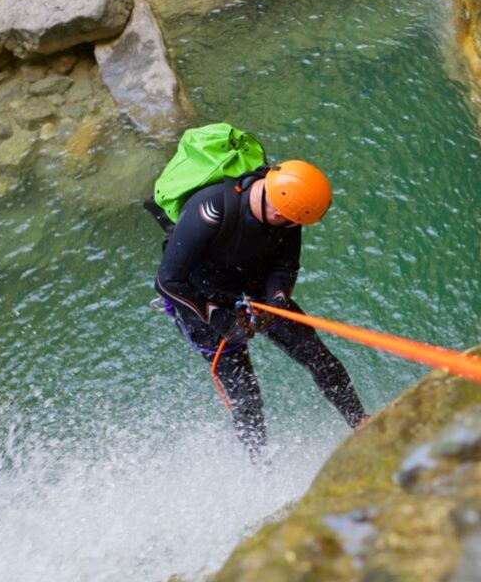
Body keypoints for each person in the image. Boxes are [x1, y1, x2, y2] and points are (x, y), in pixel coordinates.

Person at [154, 159, 368, 460]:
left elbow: (285, 265)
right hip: (201, 301)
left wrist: (276, 302)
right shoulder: (211, 211)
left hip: (253, 294)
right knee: (246, 395)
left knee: (318, 357)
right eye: (294, 222)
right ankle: (259, 461)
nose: (297, 228)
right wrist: (219, 317)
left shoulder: (288, 209)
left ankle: (362, 423)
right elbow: (168, 281)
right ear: (278, 210)